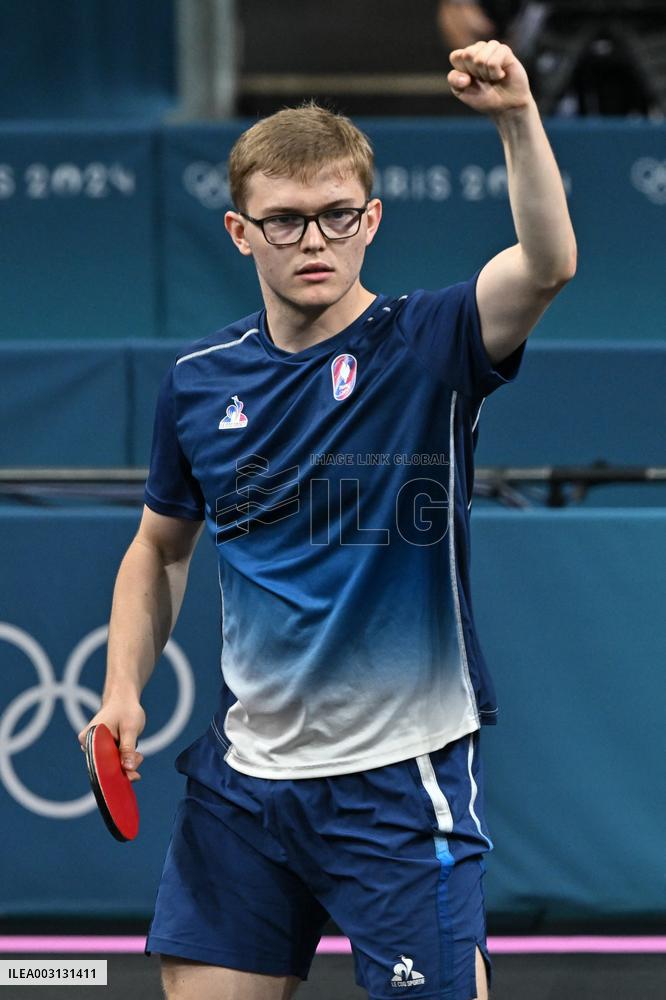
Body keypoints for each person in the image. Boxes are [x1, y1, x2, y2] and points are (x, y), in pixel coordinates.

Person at [78, 40, 576, 1000]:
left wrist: (517, 117)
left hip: (396, 782)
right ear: (239, 231)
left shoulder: (430, 344)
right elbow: (159, 547)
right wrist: (120, 685)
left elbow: (548, 264)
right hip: (244, 783)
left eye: (338, 216)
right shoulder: (197, 384)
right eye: (287, 220)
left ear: (371, 220)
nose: (315, 240)